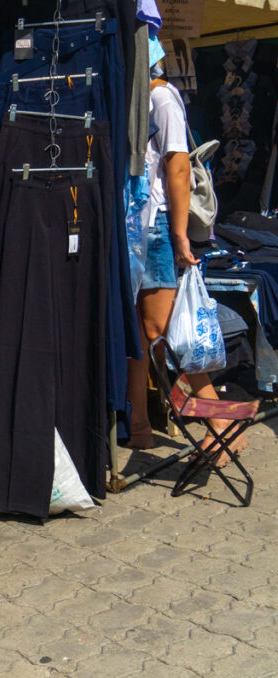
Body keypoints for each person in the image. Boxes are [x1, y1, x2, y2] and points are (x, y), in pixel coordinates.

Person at [125, 38, 248, 463]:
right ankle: (138, 425)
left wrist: (180, 235)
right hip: (135, 225)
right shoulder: (134, 97)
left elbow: (178, 167)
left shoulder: (161, 98)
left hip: (157, 225)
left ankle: (219, 424)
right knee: (140, 332)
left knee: (160, 330)